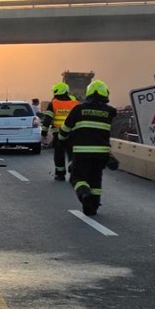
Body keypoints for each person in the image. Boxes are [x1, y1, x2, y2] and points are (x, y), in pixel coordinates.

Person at [63, 79, 115, 214]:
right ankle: (93, 206)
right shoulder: (110, 112)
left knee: (77, 177)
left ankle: (84, 194)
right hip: (102, 153)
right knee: (96, 178)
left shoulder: (78, 109)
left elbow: (65, 128)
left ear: (88, 93)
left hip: (82, 152)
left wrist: (62, 138)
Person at [46, 82, 78, 181]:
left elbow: (47, 119)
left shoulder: (53, 103)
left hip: (58, 134)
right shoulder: (75, 103)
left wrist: (44, 132)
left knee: (59, 154)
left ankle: (60, 174)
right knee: (72, 154)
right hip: (73, 134)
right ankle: (74, 173)